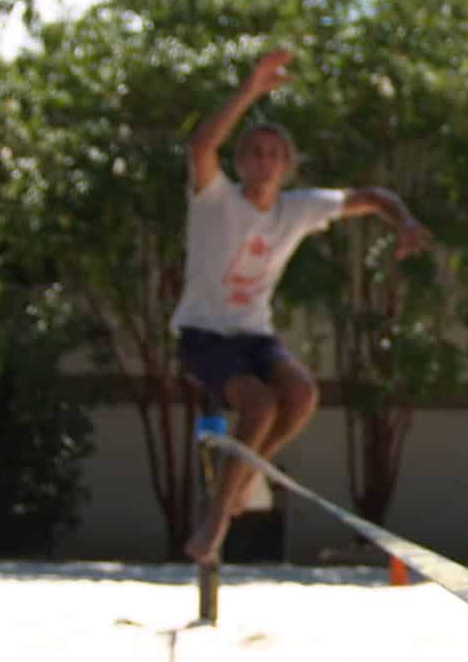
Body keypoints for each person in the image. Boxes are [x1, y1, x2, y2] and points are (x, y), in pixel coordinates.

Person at [173, 47, 433, 564]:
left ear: (287, 166)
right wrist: (251, 88)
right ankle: (219, 516)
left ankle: (242, 477)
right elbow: (201, 144)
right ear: (242, 161)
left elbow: (373, 195)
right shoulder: (215, 198)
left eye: (274, 153)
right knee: (259, 404)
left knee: (301, 394)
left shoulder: (299, 208)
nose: (264, 160)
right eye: (255, 151)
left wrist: (402, 221)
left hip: (253, 335)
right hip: (203, 334)